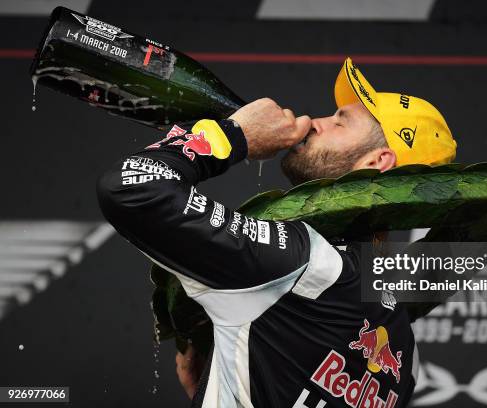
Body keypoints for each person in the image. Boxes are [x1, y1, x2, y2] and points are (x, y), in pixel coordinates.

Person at [97, 58, 457, 408]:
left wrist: (233, 136)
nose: (314, 122)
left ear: (377, 161)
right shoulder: (406, 353)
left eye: (339, 123)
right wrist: (218, 379)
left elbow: (132, 186)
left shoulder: (305, 264)